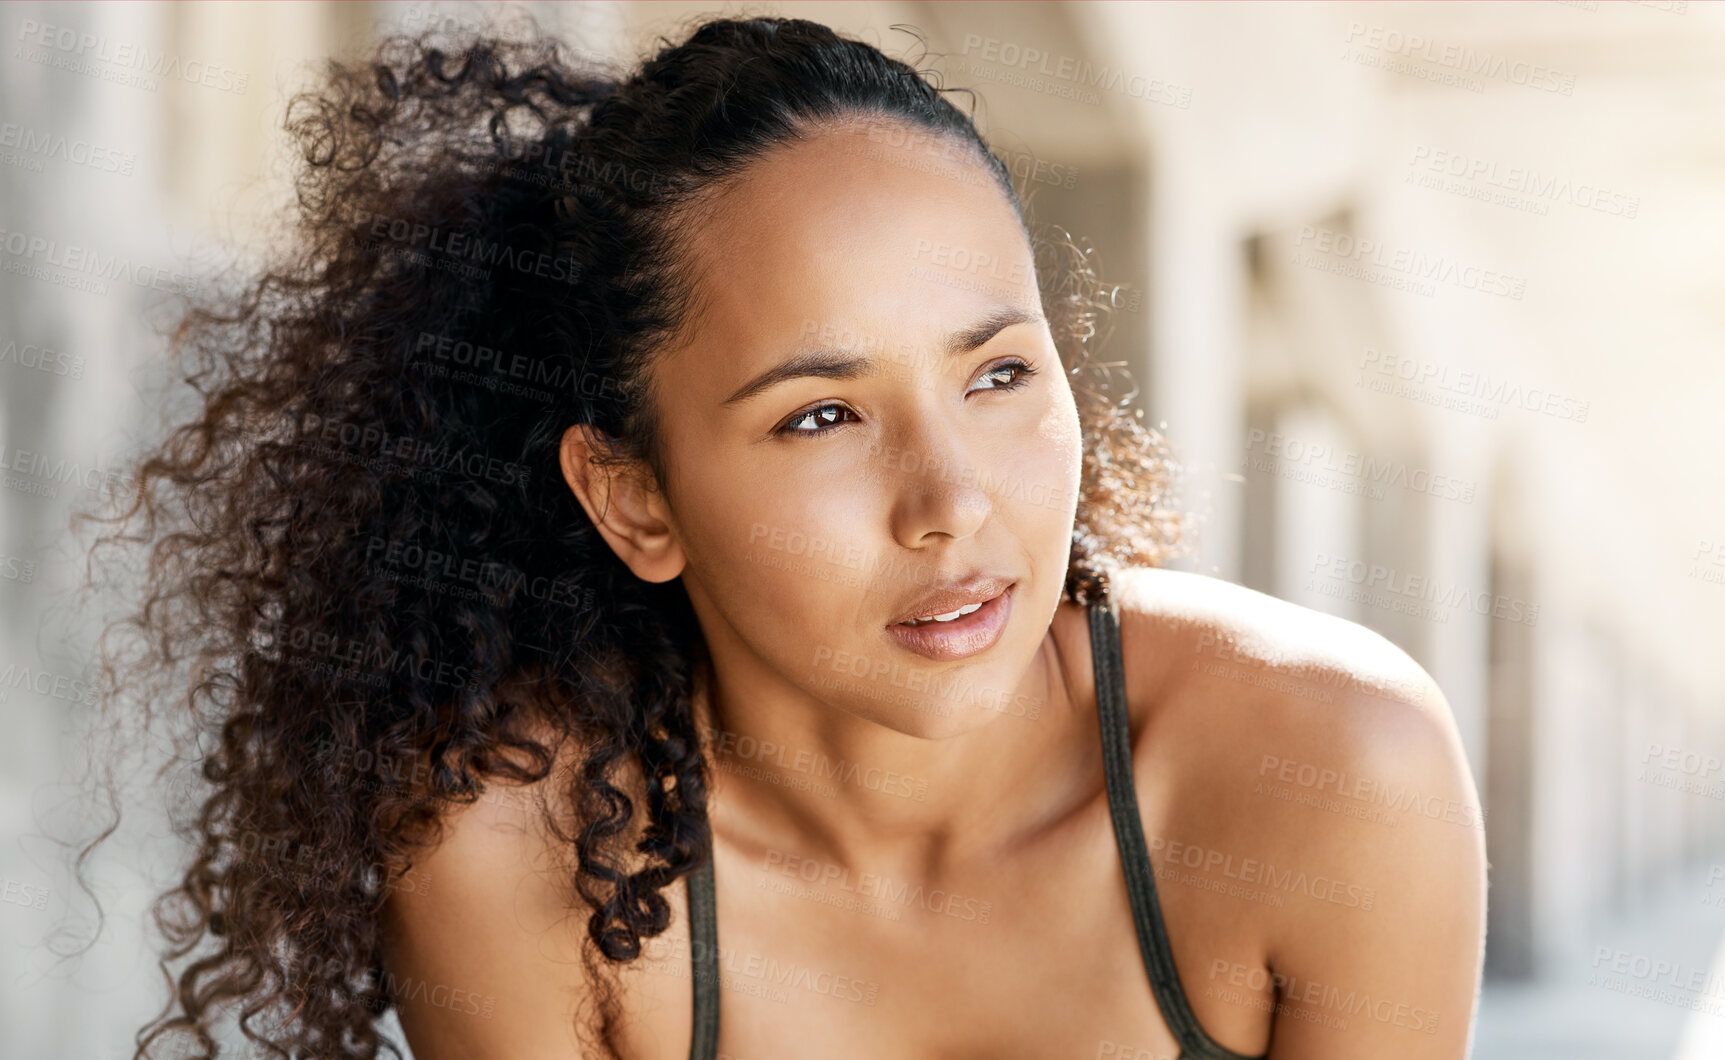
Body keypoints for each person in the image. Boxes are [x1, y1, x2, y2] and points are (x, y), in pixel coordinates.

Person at [102, 14, 1484, 1060]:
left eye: (996, 374)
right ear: (632, 498)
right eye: (823, 415)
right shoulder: (520, 860)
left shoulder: (1326, 772)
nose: (949, 502)